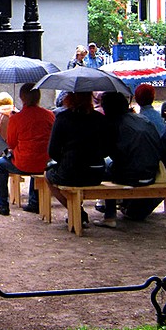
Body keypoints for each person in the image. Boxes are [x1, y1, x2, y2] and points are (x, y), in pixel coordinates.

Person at [93, 91, 162, 228]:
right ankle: (125, 206)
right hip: (151, 173)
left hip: (129, 175)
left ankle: (109, 215)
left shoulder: (114, 124)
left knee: (103, 166)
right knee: (119, 164)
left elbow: (104, 151)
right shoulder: (143, 119)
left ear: (108, 108)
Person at [45, 92, 112, 228]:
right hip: (96, 172)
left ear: (69, 99)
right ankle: (78, 210)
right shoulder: (99, 118)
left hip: (71, 170)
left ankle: (76, 211)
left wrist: (64, 159)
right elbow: (107, 149)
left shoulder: (62, 118)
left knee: (48, 176)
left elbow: (52, 150)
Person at [0, 84, 55, 216]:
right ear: (39, 97)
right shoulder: (49, 115)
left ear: (22, 98)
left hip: (23, 163)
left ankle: (3, 205)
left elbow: (11, 143)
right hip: (45, 162)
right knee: (38, 163)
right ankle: (34, 201)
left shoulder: (16, 118)